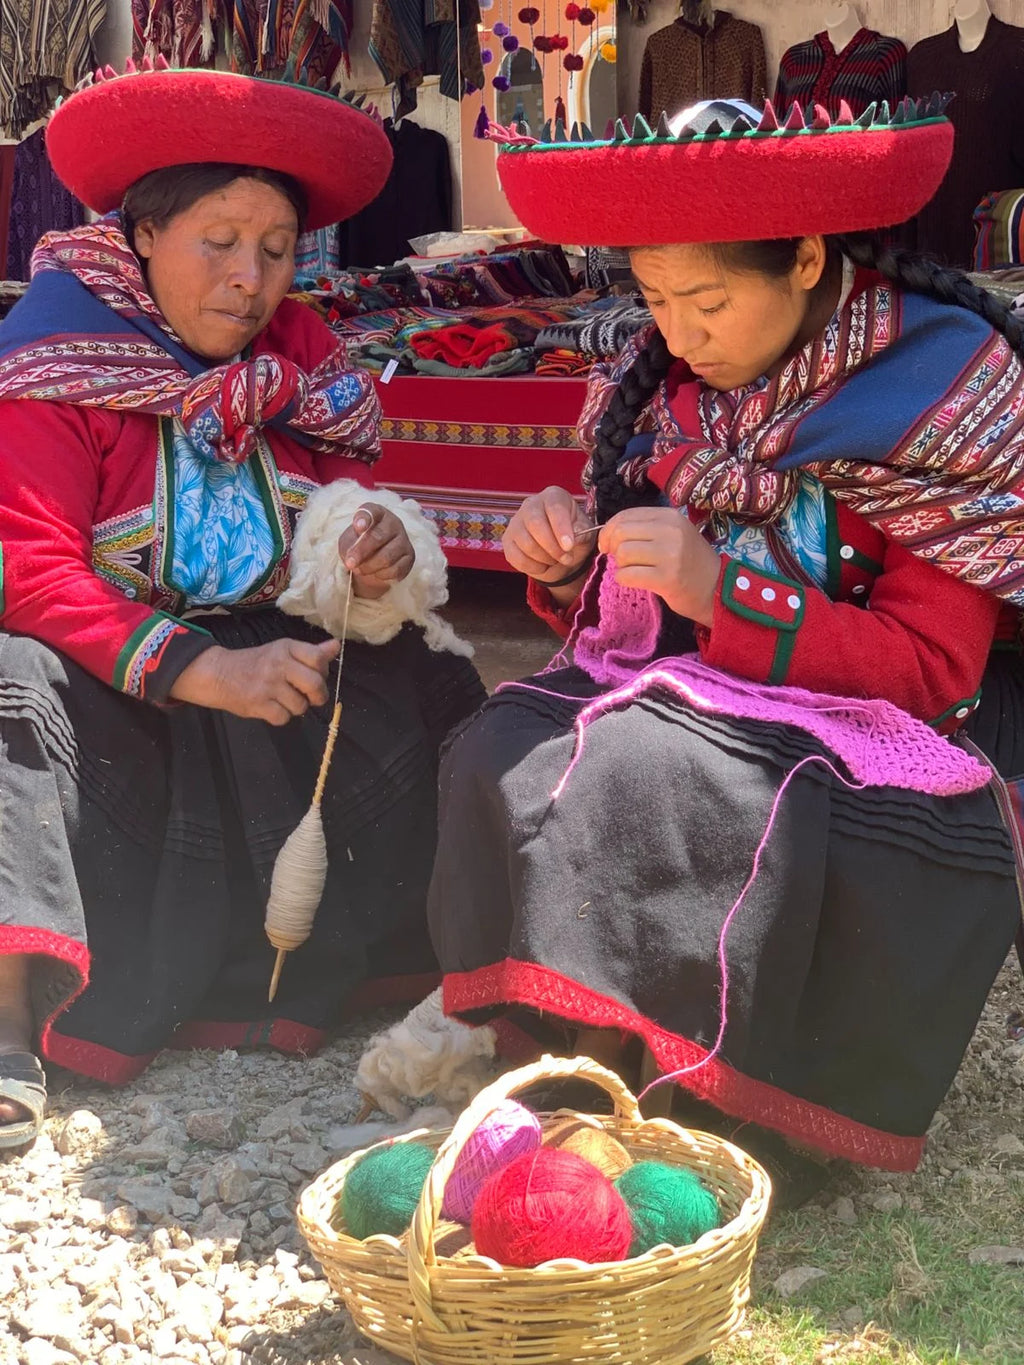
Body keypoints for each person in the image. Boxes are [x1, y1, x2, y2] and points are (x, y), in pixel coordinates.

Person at [416, 98, 1024, 1180]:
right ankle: (572, 1060)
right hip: (700, 695)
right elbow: (635, 607)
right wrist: (571, 565)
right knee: (502, 739)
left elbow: (934, 669)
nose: (681, 334)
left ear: (805, 260)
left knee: (646, 770)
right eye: (656, 299)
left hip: (892, 737)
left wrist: (721, 593)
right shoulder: (671, 385)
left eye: (706, 301)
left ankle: (709, 1103)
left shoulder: (944, 390)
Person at [0, 66, 485, 1149]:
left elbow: (344, 502)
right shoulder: (56, 354)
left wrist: (371, 553)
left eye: (276, 249)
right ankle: (8, 1014)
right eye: (217, 240)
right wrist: (201, 669)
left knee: (441, 678)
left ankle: (470, 966)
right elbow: (28, 568)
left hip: (276, 663)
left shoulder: (299, 354)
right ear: (142, 235)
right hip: (117, 672)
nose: (249, 278)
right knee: (8, 690)